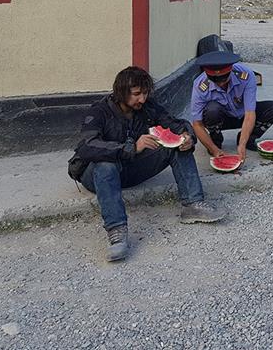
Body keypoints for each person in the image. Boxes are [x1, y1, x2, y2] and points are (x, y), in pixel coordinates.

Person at [68, 66, 223, 262]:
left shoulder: (147, 107)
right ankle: (117, 233)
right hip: (97, 176)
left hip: (130, 170)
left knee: (176, 145)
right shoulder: (99, 111)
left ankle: (192, 204)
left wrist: (188, 136)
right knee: (106, 165)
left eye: (145, 92)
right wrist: (130, 147)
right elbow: (87, 146)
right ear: (120, 92)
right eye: (136, 94)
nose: (142, 99)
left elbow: (176, 123)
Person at [190, 50, 273, 161]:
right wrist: (213, 149)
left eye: (223, 79)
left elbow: (249, 113)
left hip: (244, 116)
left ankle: (250, 138)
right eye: (215, 80)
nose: (220, 84)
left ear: (231, 70)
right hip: (220, 120)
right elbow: (197, 124)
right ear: (207, 75)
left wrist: (242, 144)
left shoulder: (246, 75)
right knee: (212, 109)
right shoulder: (200, 85)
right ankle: (215, 139)